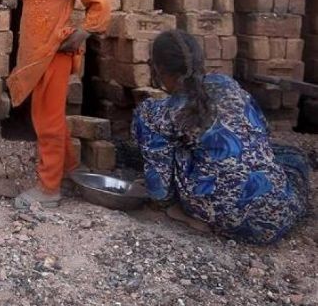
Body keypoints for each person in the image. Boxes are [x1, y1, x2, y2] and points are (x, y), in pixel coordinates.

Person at [133, 30, 310, 245]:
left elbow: (159, 190)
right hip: (279, 216)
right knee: (292, 157)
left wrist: (163, 198)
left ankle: (192, 215)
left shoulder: (154, 113)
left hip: (223, 216)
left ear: (158, 69)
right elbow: (262, 133)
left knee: (174, 150)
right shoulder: (229, 86)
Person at [7, 0, 111, 208]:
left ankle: (49, 189)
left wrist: (84, 32)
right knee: (51, 118)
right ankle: (70, 169)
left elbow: (101, 3)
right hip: (35, 60)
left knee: (48, 122)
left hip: (54, 57)